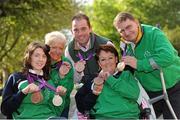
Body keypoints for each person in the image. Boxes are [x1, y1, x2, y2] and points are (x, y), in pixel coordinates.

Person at [113, 12, 180, 119]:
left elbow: (167, 56)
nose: (127, 33)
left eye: (129, 27)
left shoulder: (154, 33)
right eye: (122, 31)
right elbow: (130, 70)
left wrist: (139, 64)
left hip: (173, 86)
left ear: (136, 22)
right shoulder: (125, 45)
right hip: (150, 91)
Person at [1, 41, 66, 119]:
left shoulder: (48, 81)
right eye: (36, 55)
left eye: (44, 56)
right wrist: (23, 92)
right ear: (29, 57)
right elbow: (5, 109)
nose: (41, 59)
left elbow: (56, 112)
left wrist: (61, 96)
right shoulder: (16, 78)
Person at [75, 44, 140, 119]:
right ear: (99, 63)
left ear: (116, 59)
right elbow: (82, 107)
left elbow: (134, 94)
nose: (107, 62)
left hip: (128, 117)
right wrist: (94, 93)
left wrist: (110, 79)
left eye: (110, 58)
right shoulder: (93, 80)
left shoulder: (126, 75)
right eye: (103, 59)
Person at [64, 12, 113, 84]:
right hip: (85, 87)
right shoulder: (69, 50)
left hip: (107, 85)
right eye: (76, 30)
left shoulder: (106, 44)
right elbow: (73, 80)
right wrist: (78, 72)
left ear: (90, 29)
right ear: (72, 32)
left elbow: (116, 72)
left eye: (83, 29)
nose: (80, 33)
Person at [45, 31, 74, 118]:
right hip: (45, 106)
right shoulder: (42, 62)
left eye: (61, 48)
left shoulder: (66, 63)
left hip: (62, 105)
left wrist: (62, 76)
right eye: (54, 47)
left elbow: (67, 89)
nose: (57, 51)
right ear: (47, 47)